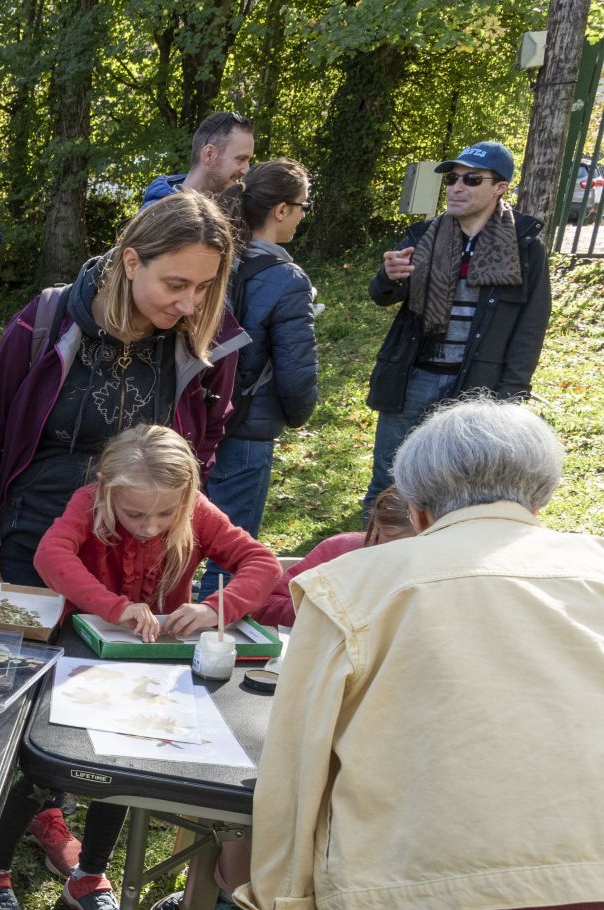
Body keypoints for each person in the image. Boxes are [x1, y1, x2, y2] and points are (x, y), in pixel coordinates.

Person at [232, 399, 604, 910]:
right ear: (537, 498)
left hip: (501, 896)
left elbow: (294, 756)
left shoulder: (359, 583)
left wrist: (285, 898)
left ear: (421, 506)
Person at [0, 191, 249, 910]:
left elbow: (203, 447)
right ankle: (6, 830)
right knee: (18, 694)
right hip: (34, 541)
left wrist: (173, 532)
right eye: (174, 284)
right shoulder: (47, 320)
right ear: (128, 259)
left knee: (114, 705)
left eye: (204, 286)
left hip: (141, 557)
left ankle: (78, 842)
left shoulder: (210, 337)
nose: (189, 302)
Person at [23, 426, 279, 910]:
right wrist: (116, 607)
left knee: (122, 768)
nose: (150, 526)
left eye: (166, 514)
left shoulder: (198, 511)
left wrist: (214, 608)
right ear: (108, 489)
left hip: (149, 670)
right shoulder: (88, 502)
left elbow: (261, 563)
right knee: (44, 761)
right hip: (77, 657)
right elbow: (51, 557)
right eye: (136, 514)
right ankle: (1, 867)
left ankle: (90, 875)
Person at [146, 486, 416, 910]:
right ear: (372, 532)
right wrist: (326, 604)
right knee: (255, 768)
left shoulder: (443, 588)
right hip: (304, 697)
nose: (388, 558)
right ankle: (239, 886)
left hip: (382, 726)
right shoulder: (344, 551)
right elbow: (269, 601)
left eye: (403, 550)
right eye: (382, 545)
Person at [362, 141, 550, 512]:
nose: (457, 187)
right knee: (389, 479)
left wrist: (511, 393)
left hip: (477, 384)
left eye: (471, 179)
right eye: (452, 179)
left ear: (499, 187)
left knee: (460, 486)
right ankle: (378, 556)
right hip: (413, 375)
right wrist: (389, 276)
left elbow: (531, 326)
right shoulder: (422, 236)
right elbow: (382, 295)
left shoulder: (525, 247)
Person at [198, 158, 319, 596]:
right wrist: (299, 412)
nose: (304, 215)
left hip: (195, 417)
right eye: (303, 206)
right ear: (281, 211)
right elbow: (295, 369)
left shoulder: (211, 259)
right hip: (247, 428)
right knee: (230, 547)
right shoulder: (287, 279)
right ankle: (210, 636)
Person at [251, 486, 413, 629]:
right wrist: (325, 611)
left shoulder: (434, 570)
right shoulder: (343, 549)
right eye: (386, 542)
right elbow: (268, 605)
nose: (395, 554)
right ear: (377, 526)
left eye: (410, 546)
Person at [141, 111, 256, 207]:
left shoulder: (232, 213)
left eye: (248, 161)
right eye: (241, 159)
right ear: (209, 154)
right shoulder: (158, 219)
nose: (246, 169)